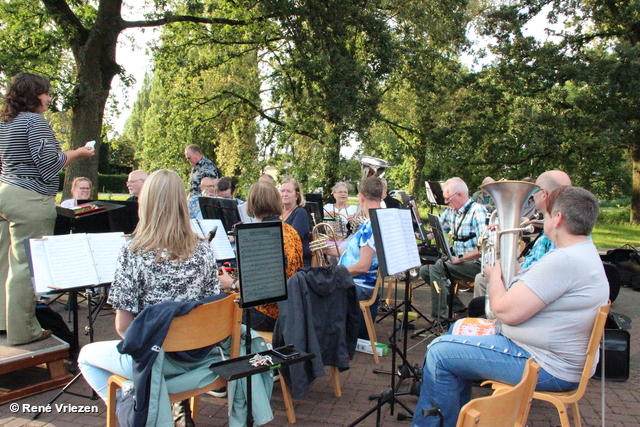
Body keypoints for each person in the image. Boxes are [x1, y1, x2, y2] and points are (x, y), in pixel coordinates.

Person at [412, 186, 609, 427]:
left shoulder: (564, 260)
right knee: (457, 331)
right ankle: (456, 420)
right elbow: (532, 291)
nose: (542, 220)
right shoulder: (581, 253)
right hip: (552, 358)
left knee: (439, 351)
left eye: (546, 215)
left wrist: (494, 276)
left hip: (545, 365)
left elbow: (504, 311)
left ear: (557, 219)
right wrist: (514, 268)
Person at [77, 170, 224, 399]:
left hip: (155, 358)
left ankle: (131, 408)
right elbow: (212, 307)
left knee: (85, 356)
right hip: (197, 354)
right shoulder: (204, 250)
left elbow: (123, 326)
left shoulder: (133, 252)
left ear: (146, 203)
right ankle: (159, 401)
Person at [0, 72, 94, 345]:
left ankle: (5, 323)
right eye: (46, 93)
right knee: (23, 267)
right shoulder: (34, 122)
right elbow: (50, 164)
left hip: (5, 194)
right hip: (30, 200)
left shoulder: (4, 123)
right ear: (34, 96)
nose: (49, 98)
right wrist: (77, 153)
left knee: (3, 264)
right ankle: (23, 331)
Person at [473, 170, 572, 299]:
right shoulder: (561, 233)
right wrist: (514, 252)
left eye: (534, 192)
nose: (532, 196)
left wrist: (495, 278)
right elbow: (532, 268)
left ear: (544, 194)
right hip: (527, 287)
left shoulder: (556, 235)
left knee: (479, 293)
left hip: (526, 297)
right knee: (481, 280)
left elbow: (534, 282)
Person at [221, 181, 303, 331]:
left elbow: (262, 290)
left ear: (252, 204)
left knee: (219, 307)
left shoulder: (258, 235)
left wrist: (231, 283)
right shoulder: (291, 231)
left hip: (267, 315)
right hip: (291, 310)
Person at [419, 177, 487, 320]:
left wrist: (459, 259)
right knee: (425, 271)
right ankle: (459, 308)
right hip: (458, 260)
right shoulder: (451, 212)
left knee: (437, 268)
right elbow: (434, 233)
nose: (446, 202)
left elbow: (485, 247)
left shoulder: (477, 211)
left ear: (459, 195)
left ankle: (439, 320)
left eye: (448, 199)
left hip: (477, 264)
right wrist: (417, 234)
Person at [325, 176, 382, 339]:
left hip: (359, 285)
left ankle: (325, 341)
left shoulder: (371, 226)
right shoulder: (373, 221)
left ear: (361, 197)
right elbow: (353, 254)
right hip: (356, 281)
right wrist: (326, 250)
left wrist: (335, 273)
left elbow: (363, 266)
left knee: (308, 287)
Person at [280, 177, 311, 266]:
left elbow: (292, 241)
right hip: (283, 259)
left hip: (297, 263)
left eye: (289, 191)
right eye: (282, 191)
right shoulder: (277, 212)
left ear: (297, 195)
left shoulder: (300, 213)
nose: (284, 194)